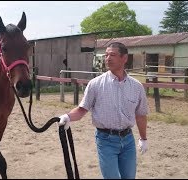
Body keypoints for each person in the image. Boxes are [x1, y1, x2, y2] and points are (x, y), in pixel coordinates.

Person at [58, 42, 149, 179]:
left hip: (128, 140)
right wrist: (68, 117)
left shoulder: (136, 87)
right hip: (105, 140)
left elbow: (141, 115)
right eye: (106, 55)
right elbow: (82, 109)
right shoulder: (95, 84)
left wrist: (143, 138)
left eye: (112, 55)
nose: (107, 58)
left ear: (124, 58)